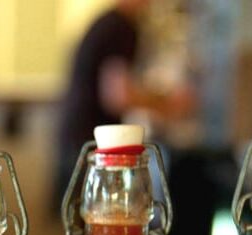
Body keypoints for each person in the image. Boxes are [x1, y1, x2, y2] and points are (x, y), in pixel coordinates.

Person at [55, 0, 194, 203]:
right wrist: (168, 104)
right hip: (94, 148)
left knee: (82, 216)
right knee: (99, 214)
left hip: (78, 139)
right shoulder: (121, 27)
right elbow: (118, 96)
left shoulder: (108, 22)